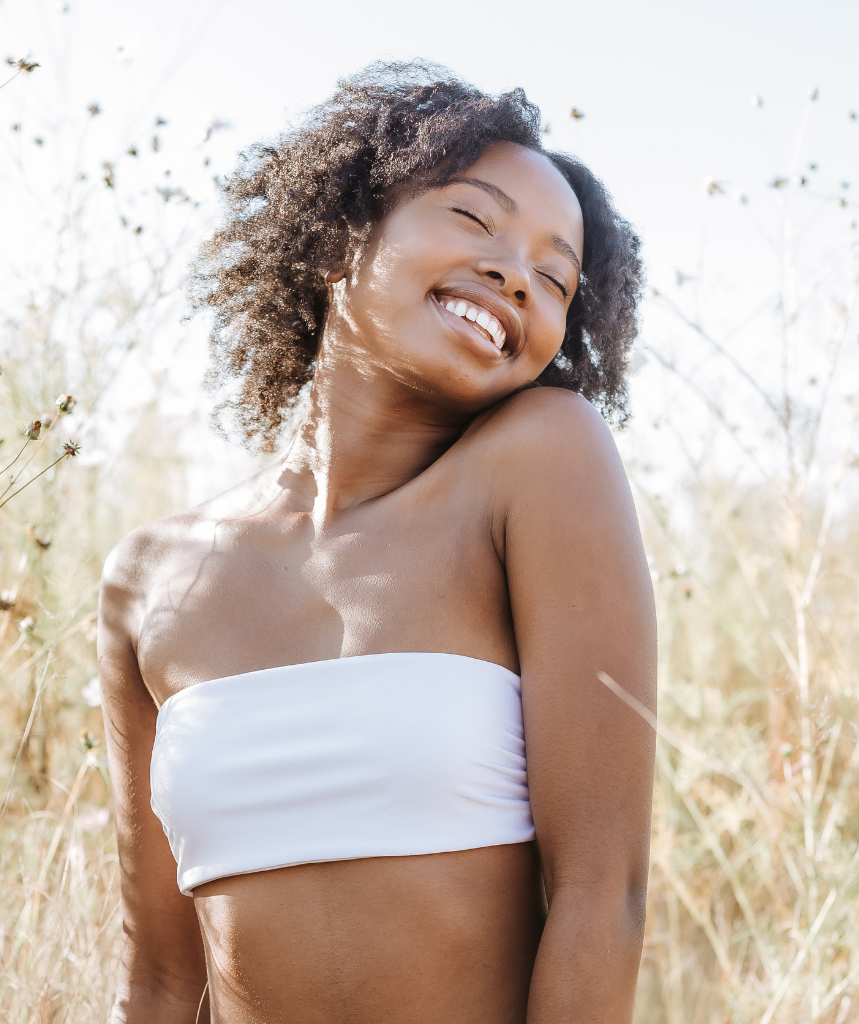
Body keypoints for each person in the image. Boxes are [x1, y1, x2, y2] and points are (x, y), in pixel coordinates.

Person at [98, 61, 656, 1024]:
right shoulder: (153, 579)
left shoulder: (541, 463)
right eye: (475, 220)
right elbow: (158, 979)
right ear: (336, 238)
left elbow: (601, 898)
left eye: (555, 276)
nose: (514, 273)